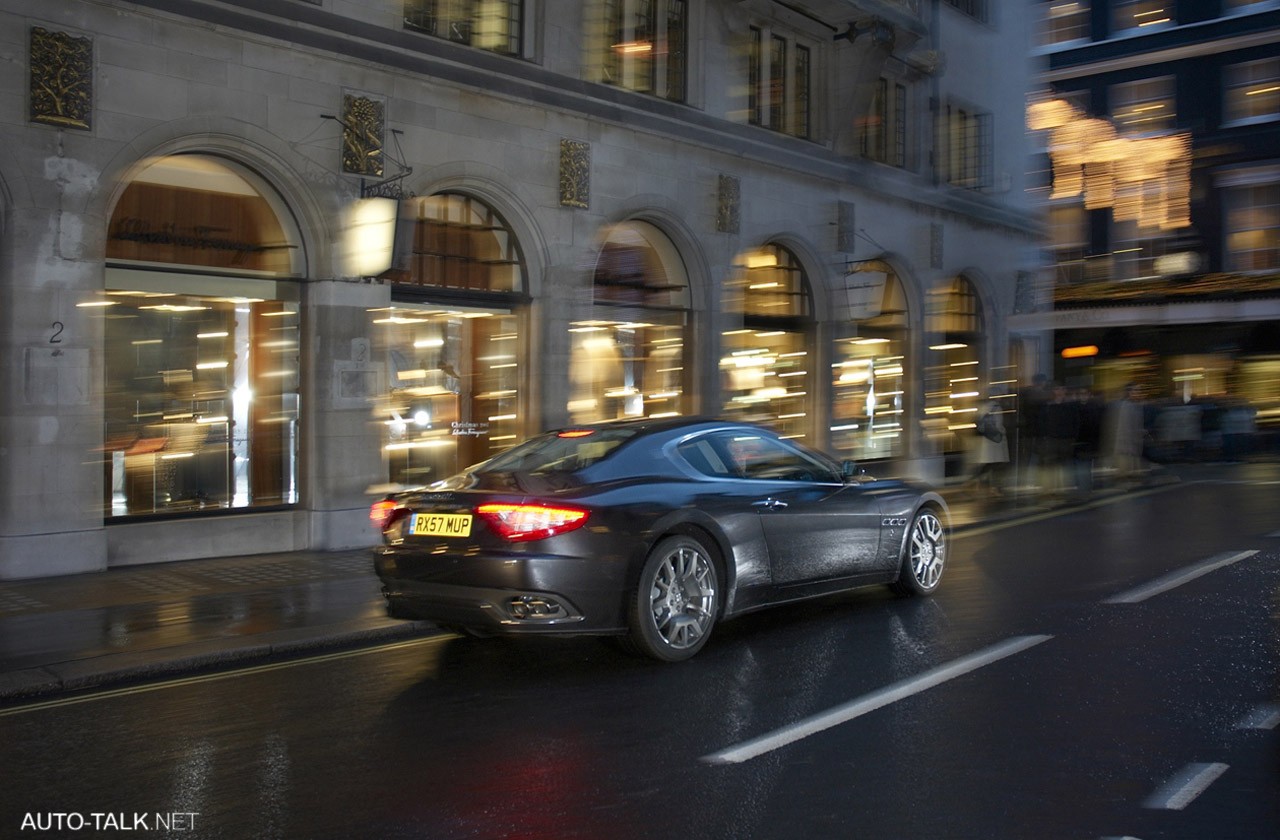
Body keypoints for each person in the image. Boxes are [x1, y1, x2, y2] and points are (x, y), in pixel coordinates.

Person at [1040, 382, 1080, 498]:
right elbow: (1042, 423)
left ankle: (1063, 489)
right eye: (1057, 388)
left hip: (1065, 440)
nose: (1060, 391)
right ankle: (1050, 490)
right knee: (1051, 465)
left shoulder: (1070, 406)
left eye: (1062, 388)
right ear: (1054, 391)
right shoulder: (1048, 406)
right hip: (1052, 439)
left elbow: (1076, 422)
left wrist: (1073, 437)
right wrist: (1045, 436)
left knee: (1063, 465)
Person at [1103, 382, 1146, 487]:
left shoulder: (1136, 405)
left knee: (1129, 470)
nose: (1137, 393)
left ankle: (1126, 481)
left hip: (1133, 444)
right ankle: (1122, 482)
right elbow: (1124, 428)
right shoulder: (1126, 406)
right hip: (1126, 445)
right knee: (1124, 469)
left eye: (1138, 390)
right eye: (1135, 390)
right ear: (1129, 392)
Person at [966, 394, 1009, 495]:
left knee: (990, 464)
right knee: (997, 464)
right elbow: (998, 425)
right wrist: (1002, 432)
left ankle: (979, 482)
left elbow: (979, 424)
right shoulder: (996, 407)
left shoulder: (983, 407)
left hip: (986, 440)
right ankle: (993, 487)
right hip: (996, 440)